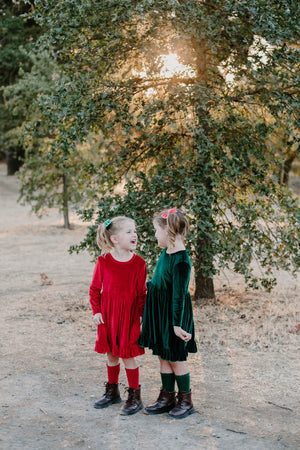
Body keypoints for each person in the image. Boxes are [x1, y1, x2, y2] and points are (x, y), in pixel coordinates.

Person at [138, 208, 197, 419]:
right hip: (161, 312)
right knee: (163, 355)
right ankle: (167, 397)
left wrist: (177, 324)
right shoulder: (166, 251)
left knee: (175, 357)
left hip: (174, 316)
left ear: (168, 230)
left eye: (156, 230)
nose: (155, 235)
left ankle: (186, 400)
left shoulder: (181, 260)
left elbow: (179, 296)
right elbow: (160, 282)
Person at [89, 216, 147, 415]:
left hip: (129, 317)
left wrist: (141, 316)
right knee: (111, 354)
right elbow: (95, 289)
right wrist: (96, 311)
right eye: (129, 232)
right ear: (114, 239)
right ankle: (112, 391)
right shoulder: (104, 261)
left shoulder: (139, 263)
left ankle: (135, 396)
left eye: (135, 231)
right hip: (108, 316)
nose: (135, 235)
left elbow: (141, 294)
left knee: (128, 355)